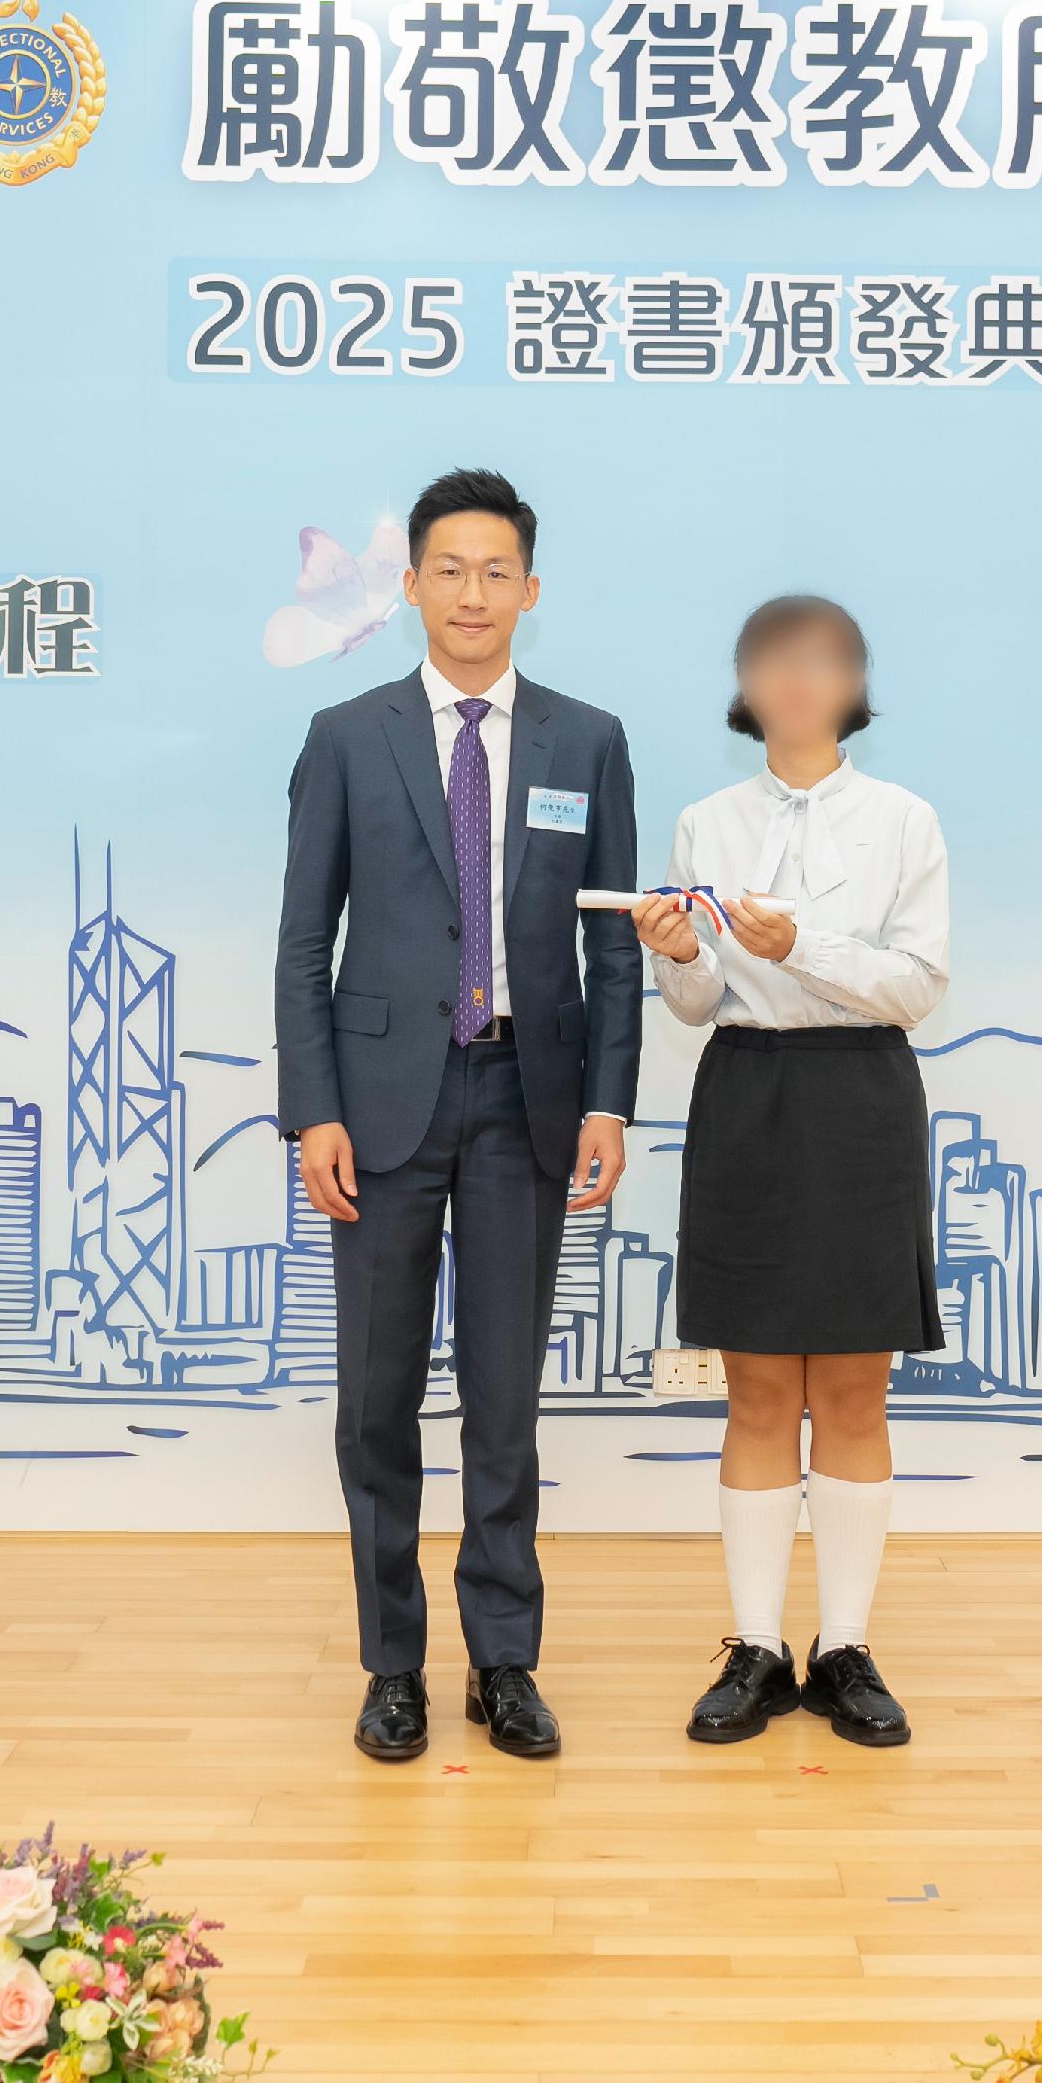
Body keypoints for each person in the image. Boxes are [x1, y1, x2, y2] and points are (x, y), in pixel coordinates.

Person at [276, 468, 640, 1763]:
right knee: (375, 1404)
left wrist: (610, 1095)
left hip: (526, 1100)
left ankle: (504, 1657)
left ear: (530, 590)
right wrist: (308, 1107)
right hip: (378, 1110)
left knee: (505, 1398)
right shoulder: (345, 735)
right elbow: (300, 941)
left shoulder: (585, 740)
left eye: (498, 571)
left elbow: (618, 949)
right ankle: (393, 1665)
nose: (473, 592)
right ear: (413, 582)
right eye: (449, 567)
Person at [634, 595, 946, 1750]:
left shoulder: (905, 818)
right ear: (746, 683)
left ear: (854, 685)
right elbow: (698, 1001)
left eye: (824, 663)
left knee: (853, 1392)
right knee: (759, 1391)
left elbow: (918, 987)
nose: (799, 680)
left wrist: (798, 945)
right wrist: (678, 956)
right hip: (745, 1092)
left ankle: (848, 1648)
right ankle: (758, 1648)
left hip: (862, 1093)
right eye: (776, 661)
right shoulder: (704, 820)